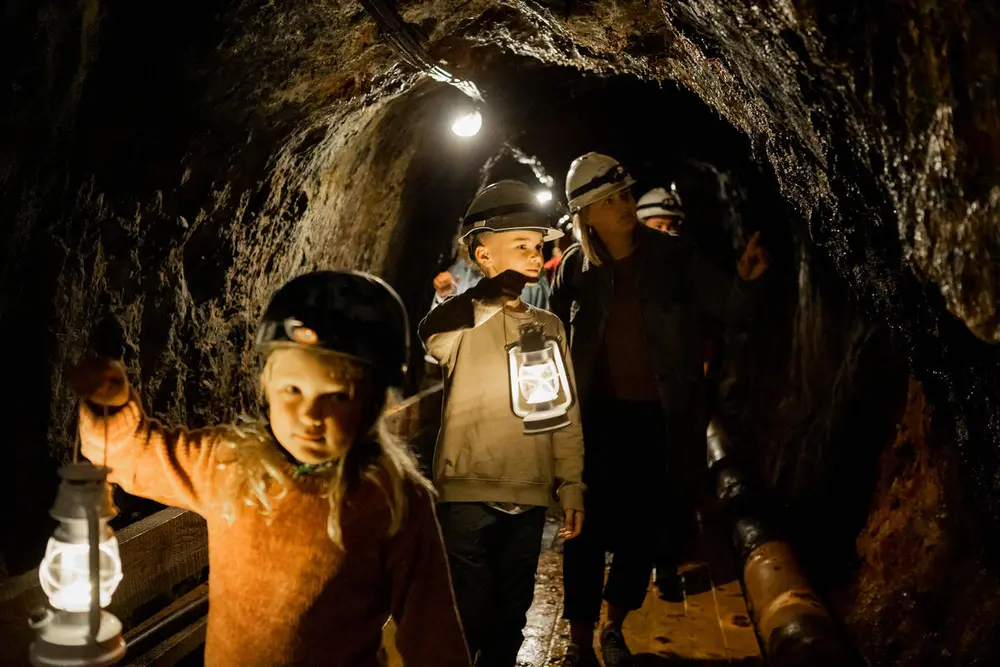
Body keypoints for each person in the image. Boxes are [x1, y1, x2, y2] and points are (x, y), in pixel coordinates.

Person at [71, 271, 471, 667]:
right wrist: (113, 406)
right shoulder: (228, 463)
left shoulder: (392, 500)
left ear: (373, 403)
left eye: (337, 397)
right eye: (292, 390)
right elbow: (137, 456)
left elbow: (432, 630)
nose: (310, 415)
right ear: (267, 388)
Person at [551, 153, 770, 667]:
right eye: (610, 201)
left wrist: (746, 280)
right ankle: (579, 641)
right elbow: (548, 331)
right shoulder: (577, 270)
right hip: (594, 420)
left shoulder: (675, 258)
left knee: (640, 531)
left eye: (625, 194)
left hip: (658, 418)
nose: (625, 206)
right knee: (582, 532)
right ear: (586, 215)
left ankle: (613, 626)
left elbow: (730, 308)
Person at [419, 180, 585, 667]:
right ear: (481, 255)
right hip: (466, 491)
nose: (535, 256)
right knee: (464, 612)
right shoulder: (461, 324)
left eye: (538, 247)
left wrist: (571, 482)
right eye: (521, 246)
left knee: (512, 615)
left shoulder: (547, 327)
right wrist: (493, 295)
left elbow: (561, 413)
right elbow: (432, 337)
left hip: (529, 490)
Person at [432, 241, 552, 311]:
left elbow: (547, 329)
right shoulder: (463, 270)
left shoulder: (533, 278)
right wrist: (443, 297)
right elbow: (437, 334)